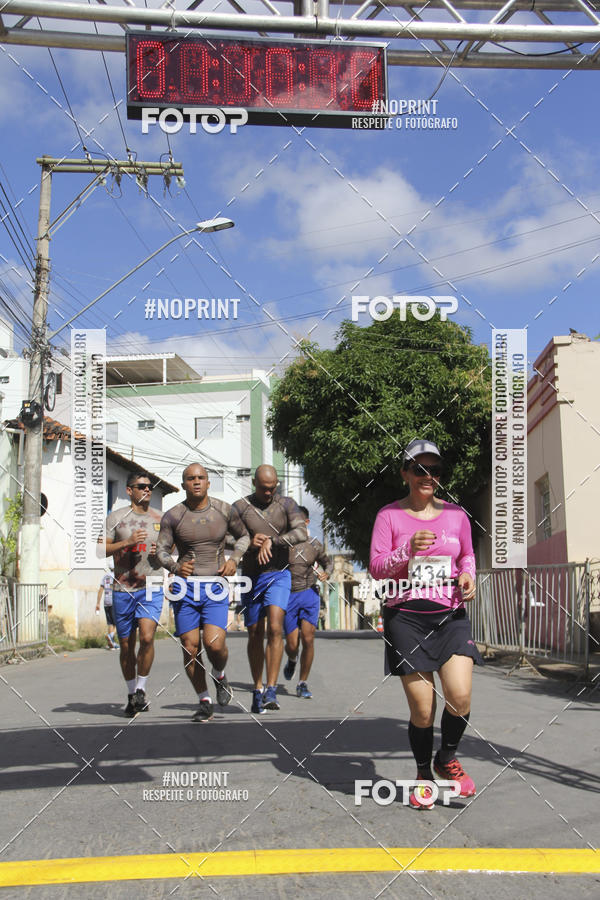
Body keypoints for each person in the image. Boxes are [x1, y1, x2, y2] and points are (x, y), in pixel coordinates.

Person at [369, 438, 482, 810]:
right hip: (406, 616)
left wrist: (467, 576)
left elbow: (466, 556)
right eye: (420, 469)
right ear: (405, 473)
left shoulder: (456, 515)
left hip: (449, 614)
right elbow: (377, 567)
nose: (428, 476)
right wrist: (408, 549)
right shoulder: (389, 516)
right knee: (422, 708)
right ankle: (423, 774)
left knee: (460, 696)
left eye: (435, 470)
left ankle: (445, 756)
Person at [156, 463, 250, 722]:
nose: (196, 482)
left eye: (201, 478)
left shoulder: (224, 510)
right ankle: (204, 700)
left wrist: (235, 559)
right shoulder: (173, 515)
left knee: (214, 644)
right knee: (190, 647)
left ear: (208, 482)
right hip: (185, 587)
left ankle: (220, 675)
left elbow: (244, 537)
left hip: (216, 585)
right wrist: (175, 566)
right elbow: (160, 550)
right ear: (184, 484)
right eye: (190, 478)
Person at [233, 465, 307, 714]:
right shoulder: (240, 507)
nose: (269, 492)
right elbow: (224, 537)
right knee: (255, 632)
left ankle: (272, 688)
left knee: (275, 627)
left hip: (279, 573)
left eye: (273, 487)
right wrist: (248, 542)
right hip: (252, 577)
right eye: (264, 488)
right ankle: (257, 687)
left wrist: (271, 541)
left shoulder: (287, 504)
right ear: (254, 483)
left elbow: (301, 532)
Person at [99, 471, 164, 717]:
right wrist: (125, 544)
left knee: (147, 638)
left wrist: (163, 551)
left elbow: (173, 547)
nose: (147, 490)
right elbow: (101, 548)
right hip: (123, 588)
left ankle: (141, 689)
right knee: (126, 645)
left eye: (149, 486)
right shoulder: (115, 518)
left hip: (152, 585)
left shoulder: (160, 518)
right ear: (129, 490)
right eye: (141, 486)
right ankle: (130, 695)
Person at [283, 506, 332, 699]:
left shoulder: (314, 544)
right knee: (292, 644)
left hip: (309, 594)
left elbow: (327, 562)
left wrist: (327, 572)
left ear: (306, 523)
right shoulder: (283, 544)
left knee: (308, 638)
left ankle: (302, 682)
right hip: (288, 595)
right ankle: (292, 659)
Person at [96, 571, 118, 649]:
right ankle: (110, 636)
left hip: (106, 602)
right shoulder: (117, 575)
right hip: (114, 601)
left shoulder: (105, 576)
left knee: (110, 623)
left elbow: (100, 590)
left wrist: (98, 603)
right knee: (117, 623)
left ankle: (111, 643)